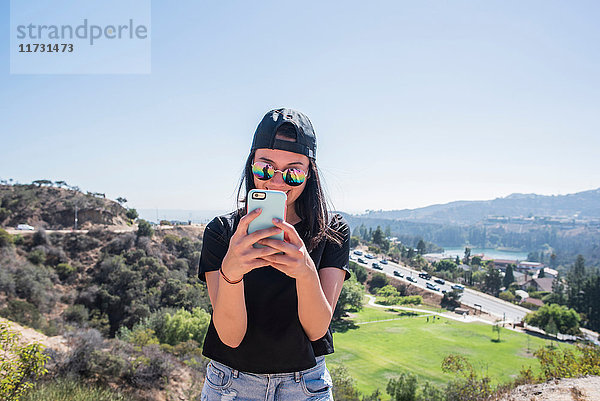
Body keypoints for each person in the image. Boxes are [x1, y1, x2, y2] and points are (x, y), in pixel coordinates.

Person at [198, 108, 351, 400]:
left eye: (294, 171)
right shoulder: (221, 232)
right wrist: (231, 273)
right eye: (264, 168)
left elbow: (317, 329)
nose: (277, 182)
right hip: (231, 385)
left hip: (306, 386)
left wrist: (305, 272)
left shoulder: (332, 231)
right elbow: (230, 337)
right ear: (250, 166)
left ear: (309, 174)